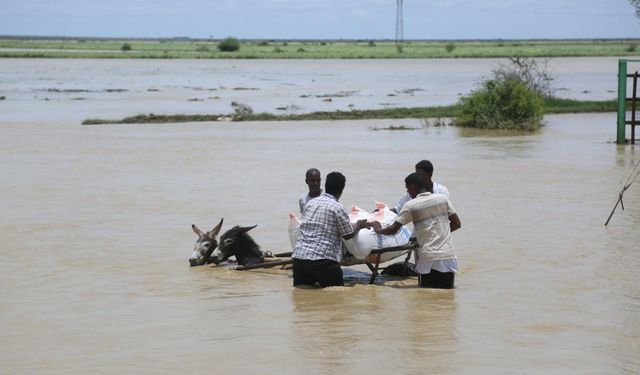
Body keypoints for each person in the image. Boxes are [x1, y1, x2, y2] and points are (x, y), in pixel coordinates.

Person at [372, 172, 461, 289]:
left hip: (428, 257)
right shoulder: (442, 199)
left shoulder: (411, 205)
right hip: (447, 256)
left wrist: (379, 230)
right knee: (446, 296)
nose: (408, 192)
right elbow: (457, 224)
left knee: (427, 295)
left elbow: (393, 229)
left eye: (407, 189)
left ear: (413, 187)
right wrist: (439, 234)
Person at [292, 171, 371, 287]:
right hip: (323, 261)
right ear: (341, 190)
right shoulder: (337, 207)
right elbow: (347, 234)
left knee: (302, 296)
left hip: (299, 259)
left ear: (325, 185)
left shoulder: (310, 203)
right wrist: (358, 225)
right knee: (337, 296)